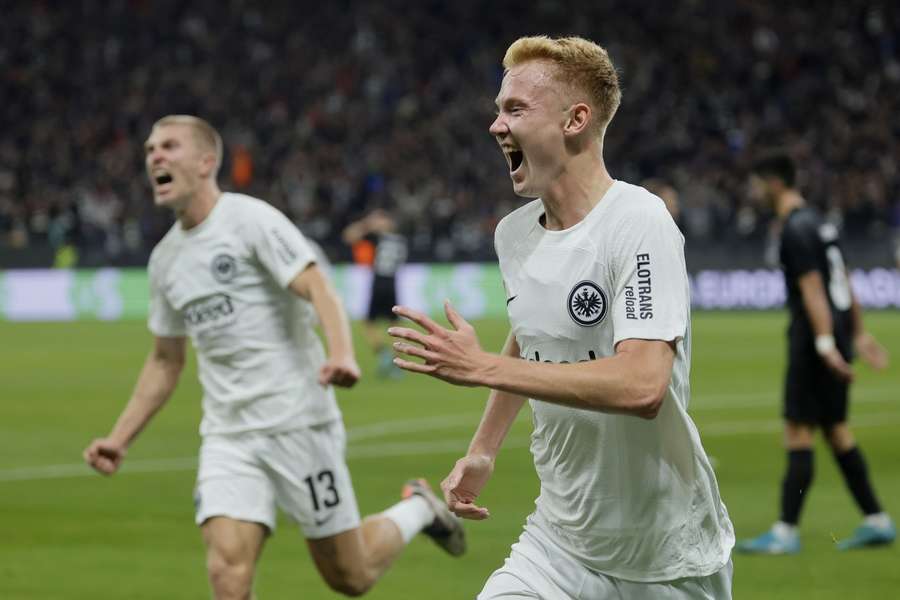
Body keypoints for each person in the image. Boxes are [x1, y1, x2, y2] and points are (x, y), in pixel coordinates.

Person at [388, 36, 734, 599]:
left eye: (515, 109)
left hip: (666, 557)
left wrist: (481, 369)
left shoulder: (638, 221)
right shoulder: (514, 235)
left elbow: (643, 385)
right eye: (498, 109)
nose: (496, 126)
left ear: (576, 119)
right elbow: (531, 336)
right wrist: (483, 448)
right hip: (558, 544)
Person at [82, 115, 465, 599]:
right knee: (227, 574)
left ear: (206, 161)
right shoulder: (165, 262)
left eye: (168, 146)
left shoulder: (249, 220)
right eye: (149, 150)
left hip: (298, 424)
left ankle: (418, 508)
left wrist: (342, 353)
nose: (153, 156)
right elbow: (164, 360)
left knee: (350, 576)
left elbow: (318, 287)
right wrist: (120, 437)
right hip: (228, 436)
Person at [737, 153, 894, 554]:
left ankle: (785, 532)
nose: (753, 192)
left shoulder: (794, 229)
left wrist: (824, 345)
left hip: (813, 338)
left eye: (757, 184)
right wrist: (856, 333)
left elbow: (812, 289)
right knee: (836, 429)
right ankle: (876, 519)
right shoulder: (821, 222)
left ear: (773, 183)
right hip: (838, 330)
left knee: (798, 429)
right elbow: (843, 279)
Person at [342, 209, 408, 378]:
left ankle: (384, 354)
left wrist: (366, 224)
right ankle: (397, 363)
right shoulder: (400, 240)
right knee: (395, 325)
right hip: (392, 283)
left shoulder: (377, 237)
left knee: (368, 323)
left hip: (379, 282)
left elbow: (348, 236)